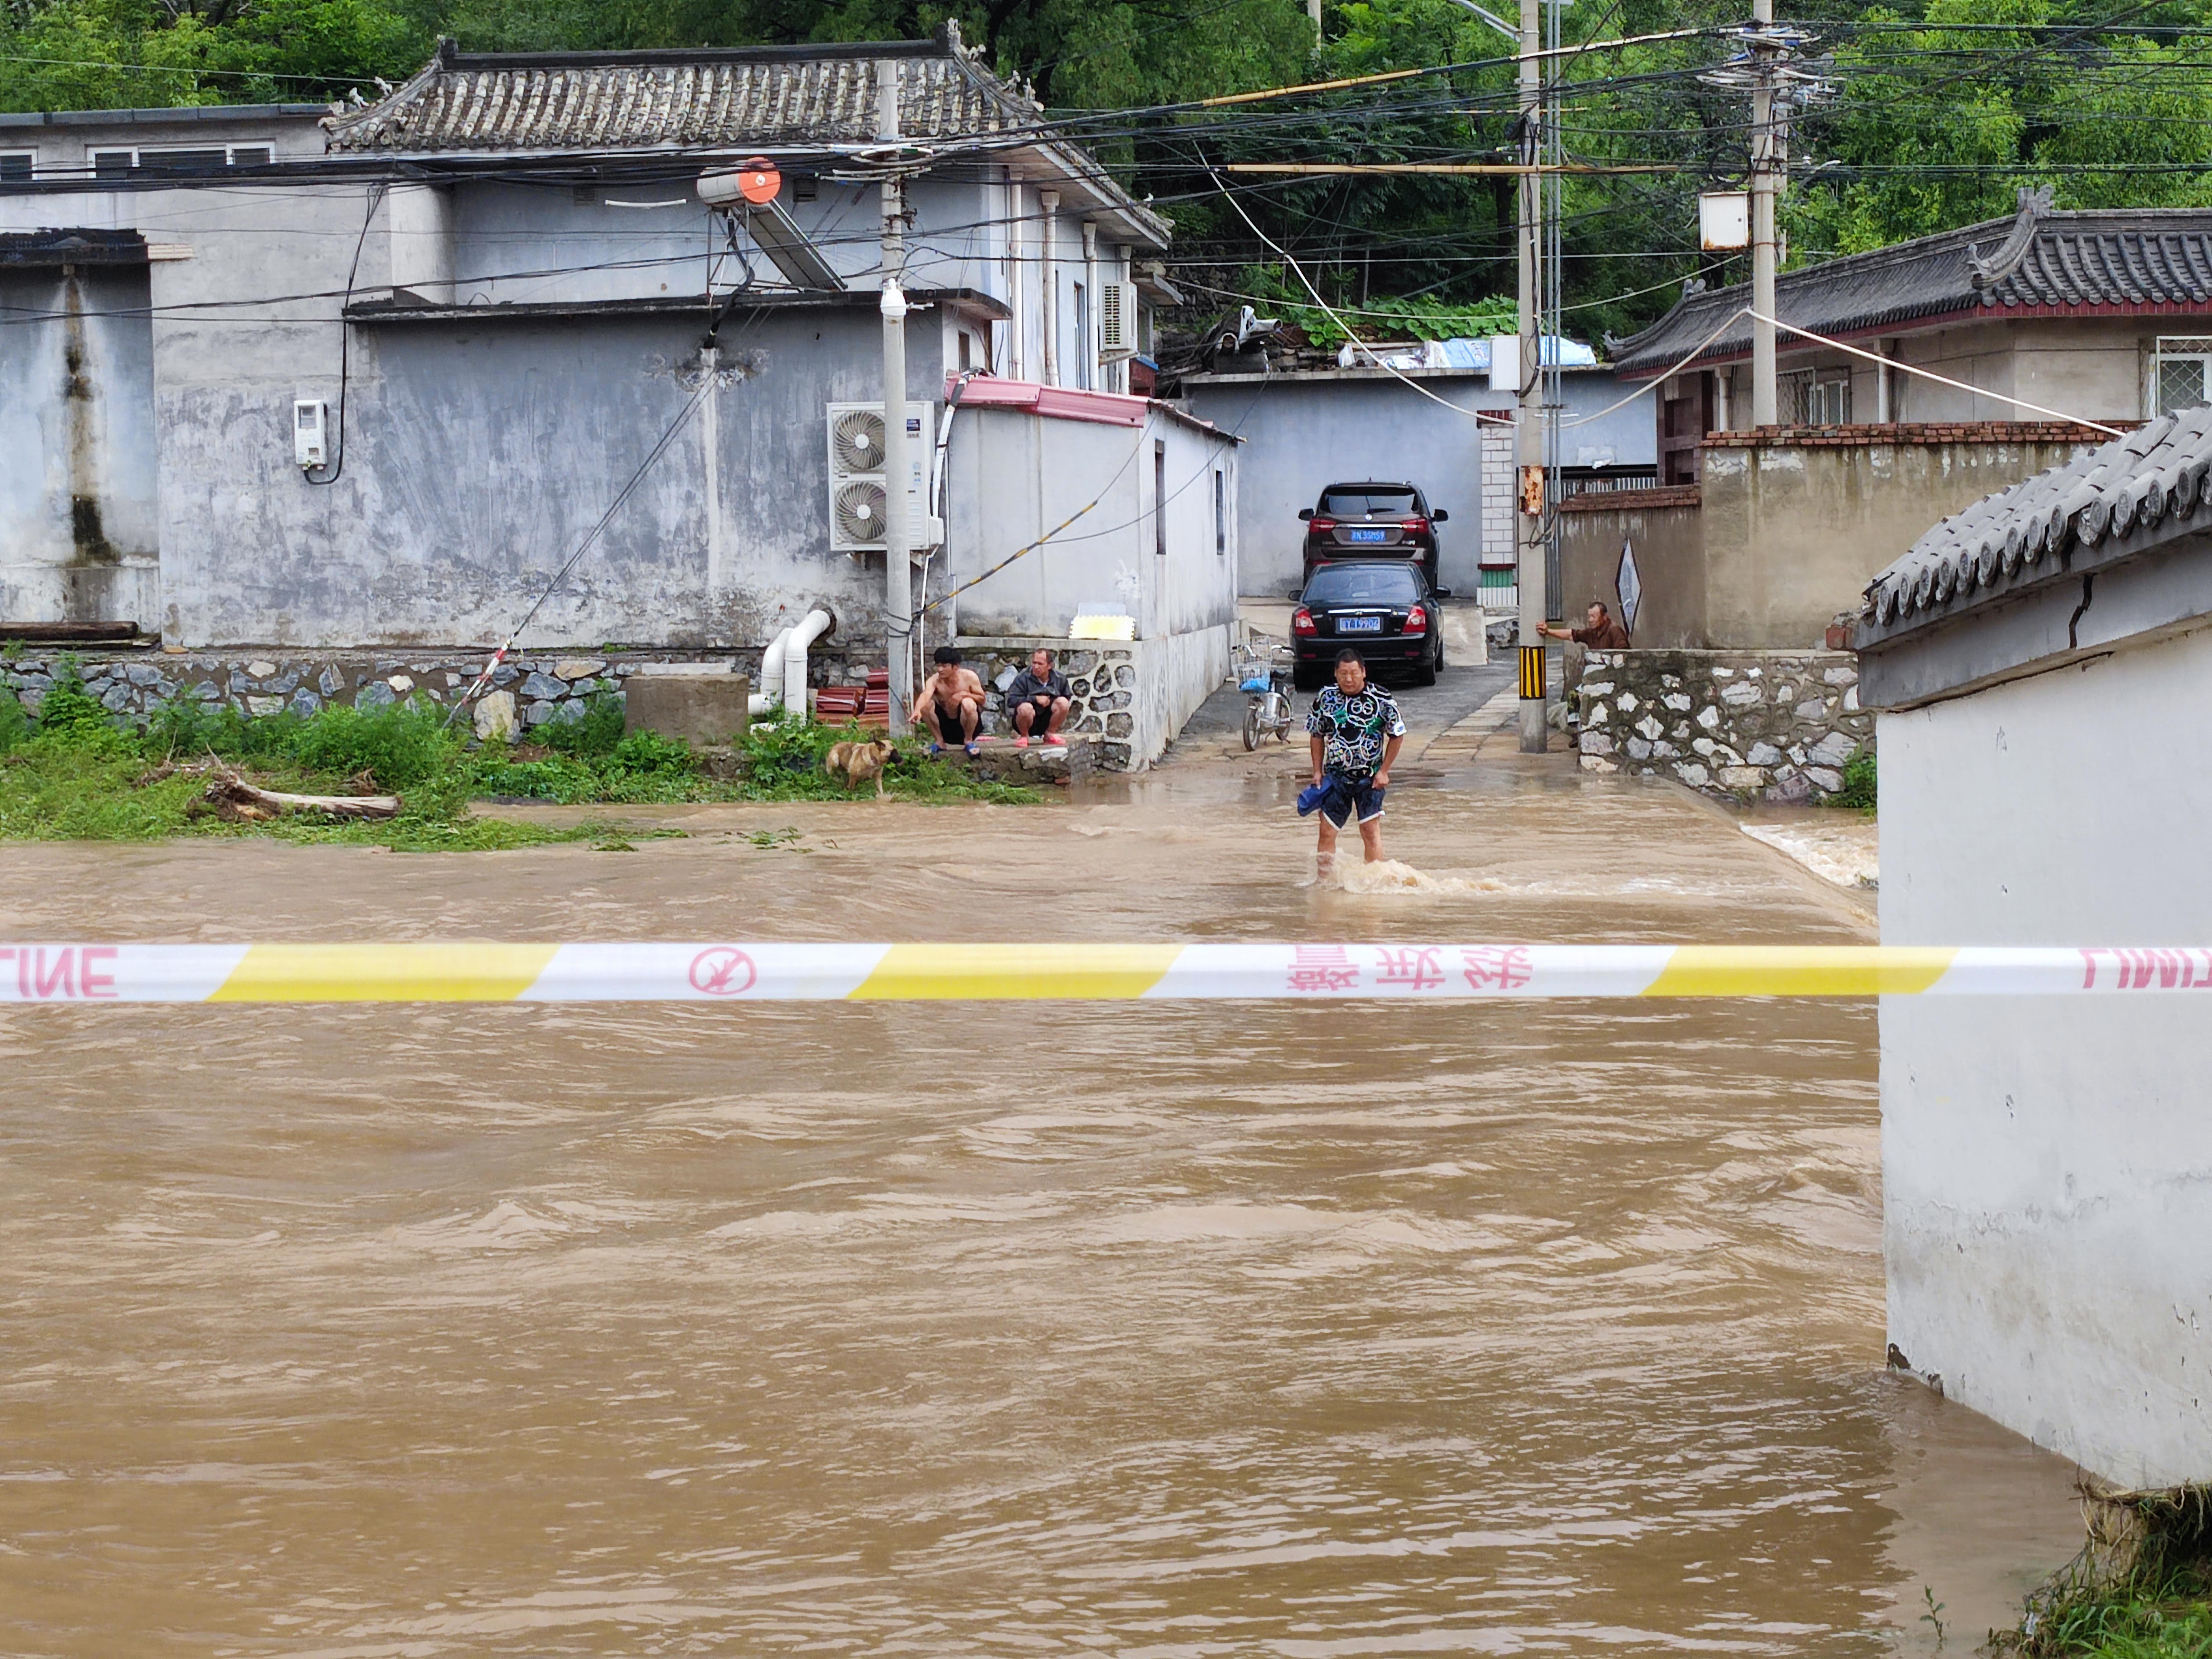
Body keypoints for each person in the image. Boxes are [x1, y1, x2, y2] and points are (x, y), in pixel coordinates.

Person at [1302, 648, 1406, 870]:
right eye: (1343, 673)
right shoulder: (1325, 697)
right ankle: (1325, 884)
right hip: (1336, 778)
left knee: (1370, 831)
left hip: (1370, 779)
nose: (1349, 679)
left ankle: (1374, 882)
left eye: (1354, 673)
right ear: (1336, 674)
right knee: (1327, 830)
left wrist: (1385, 771)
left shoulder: (1382, 699)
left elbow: (1397, 734)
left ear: (1364, 672)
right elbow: (1316, 735)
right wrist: (1317, 771)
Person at [910, 645, 985, 756]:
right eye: (939, 666)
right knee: (926, 705)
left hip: (966, 725)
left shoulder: (969, 677)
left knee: (968, 702)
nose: (940, 670)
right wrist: (917, 710)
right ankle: (940, 742)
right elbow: (926, 695)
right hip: (946, 727)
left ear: (956, 667)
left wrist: (963, 695)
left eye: (945, 666)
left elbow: (982, 700)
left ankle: (969, 741)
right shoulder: (935, 680)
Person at [1003, 649, 1071, 748]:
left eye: (1040, 664)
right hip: (1027, 720)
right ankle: (1024, 737)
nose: (1036, 667)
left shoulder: (1060, 679)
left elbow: (1067, 697)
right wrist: (1035, 699)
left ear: (1050, 666)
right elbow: (1011, 700)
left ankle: (1050, 734)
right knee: (1025, 708)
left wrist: (1051, 702)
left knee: (1063, 702)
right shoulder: (1023, 678)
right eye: (1034, 663)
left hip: (1047, 719)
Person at [1538, 602, 1631, 649]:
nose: (1591, 620)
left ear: (1605, 617)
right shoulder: (1591, 632)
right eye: (1590, 616)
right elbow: (1571, 634)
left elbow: (1623, 654)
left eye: (1594, 617)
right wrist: (1548, 631)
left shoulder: (1615, 630)